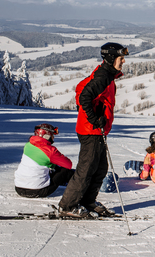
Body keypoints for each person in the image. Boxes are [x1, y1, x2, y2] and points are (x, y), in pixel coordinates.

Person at [58, 42, 128, 218]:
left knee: (100, 168)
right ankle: (67, 206)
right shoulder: (103, 77)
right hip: (91, 131)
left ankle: (87, 201)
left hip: (95, 130)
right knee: (87, 169)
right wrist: (93, 118)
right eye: (121, 58)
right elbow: (84, 96)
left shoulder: (106, 75)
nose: (124, 61)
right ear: (111, 58)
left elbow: (83, 89)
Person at [14, 123, 75, 198]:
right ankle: (78, 185)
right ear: (47, 136)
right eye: (52, 135)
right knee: (64, 170)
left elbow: (41, 160)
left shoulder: (28, 145)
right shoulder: (50, 151)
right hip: (38, 191)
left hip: (19, 189)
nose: (53, 138)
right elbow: (68, 164)